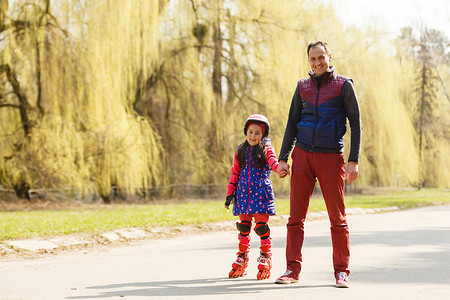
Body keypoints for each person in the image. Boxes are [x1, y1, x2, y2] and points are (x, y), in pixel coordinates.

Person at [275, 41, 362, 288]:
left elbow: (356, 124)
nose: (317, 62)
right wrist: (283, 158)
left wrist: (353, 160)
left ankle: (341, 271)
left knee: (337, 218)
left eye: (321, 57)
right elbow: (292, 123)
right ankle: (292, 269)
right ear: (308, 61)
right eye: (312, 59)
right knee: (295, 218)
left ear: (329, 57)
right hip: (302, 155)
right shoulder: (302, 87)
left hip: (331, 157)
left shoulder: (344, 85)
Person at [225, 114, 286, 280]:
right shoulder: (240, 151)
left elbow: (273, 162)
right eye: (250, 132)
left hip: (261, 194)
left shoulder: (267, 150)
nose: (253, 136)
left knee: (261, 227)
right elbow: (235, 172)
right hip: (243, 194)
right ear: (246, 132)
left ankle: (266, 256)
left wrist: (279, 169)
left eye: (257, 133)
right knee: (243, 227)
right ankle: (242, 256)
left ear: (263, 134)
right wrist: (230, 193)